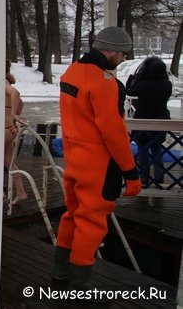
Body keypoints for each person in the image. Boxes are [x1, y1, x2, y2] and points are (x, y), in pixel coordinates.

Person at [52, 26, 141, 292]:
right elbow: (113, 132)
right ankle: (80, 286)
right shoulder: (104, 82)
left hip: (74, 159)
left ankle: (60, 276)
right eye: (123, 53)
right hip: (98, 165)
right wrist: (131, 172)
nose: (124, 58)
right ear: (111, 50)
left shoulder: (74, 71)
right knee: (91, 222)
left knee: (71, 215)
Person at [126, 56, 172, 185]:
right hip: (161, 120)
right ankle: (159, 176)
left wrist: (133, 77)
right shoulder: (167, 84)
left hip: (143, 120)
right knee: (157, 149)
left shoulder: (143, 85)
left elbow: (129, 90)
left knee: (143, 149)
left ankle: (144, 177)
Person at [4, 60, 27, 205]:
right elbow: (21, 102)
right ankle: (21, 192)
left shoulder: (1, 82)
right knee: (9, 161)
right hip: (8, 128)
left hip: (4, 128)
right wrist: (15, 116)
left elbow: (16, 94)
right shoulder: (7, 81)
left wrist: (13, 116)